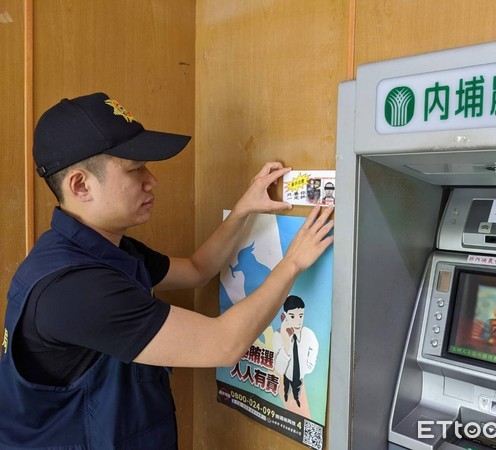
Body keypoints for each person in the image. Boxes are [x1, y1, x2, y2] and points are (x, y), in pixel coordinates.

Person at [0, 92, 334, 449]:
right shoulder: (75, 288)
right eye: (134, 169)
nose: (152, 180)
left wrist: (243, 210)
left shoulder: (99, 250)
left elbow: (196, 270)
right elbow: (224, 344)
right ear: (81, 185)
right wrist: (293, 261)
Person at [273, 295, 318, 409]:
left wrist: (305, 369)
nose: (298, 322)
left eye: (301, 316)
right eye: (292, 316)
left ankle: (297, 400)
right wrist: (286, 342)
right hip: (287, 374)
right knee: (286, 387)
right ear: (284, 316)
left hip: (300, 376)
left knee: (297, 390)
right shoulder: (278, 335)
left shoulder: (309, 335)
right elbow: (279, 368)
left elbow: (314, 352)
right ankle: (286, 396)